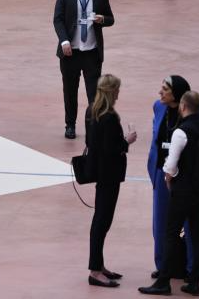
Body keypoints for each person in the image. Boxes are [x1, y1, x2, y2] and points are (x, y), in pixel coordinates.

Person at [147, 76, 199, 280]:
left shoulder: (196, 110)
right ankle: (163, 266)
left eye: (165, 89)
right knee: (161, 224)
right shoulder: (158, 107)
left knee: (191, 225)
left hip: (187, 177)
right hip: (162, 172)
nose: (160, 92)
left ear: (178, 96)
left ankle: (193, 268)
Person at [139, 91, 199, 297]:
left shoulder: (181, 132)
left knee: (170, 233)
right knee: (198, 234)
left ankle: (164, 281)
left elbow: (171, 166)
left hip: (182, 191)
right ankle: (194, 281)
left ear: (184, 106)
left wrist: (168, 179)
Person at [85, 74, 137, 288]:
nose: (118, 94)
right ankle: (95, 270)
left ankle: (99, 265)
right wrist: (127, 141)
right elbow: (111, 149)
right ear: (111, 91)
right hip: (110, 174)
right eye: (117, 90)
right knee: (102, 221)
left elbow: (92, 142)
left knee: (101, 220)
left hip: (99, 171)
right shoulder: (109, 117)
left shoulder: (92, 111)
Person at [54, 0, 115, 139]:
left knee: (94, 94)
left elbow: (111, 19)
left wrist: (102, 19)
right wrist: (64, 41)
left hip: (91, 53)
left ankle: (94, 127)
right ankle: (70, 125)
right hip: (70, 53)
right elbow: (58, 20)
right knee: (70, 91)